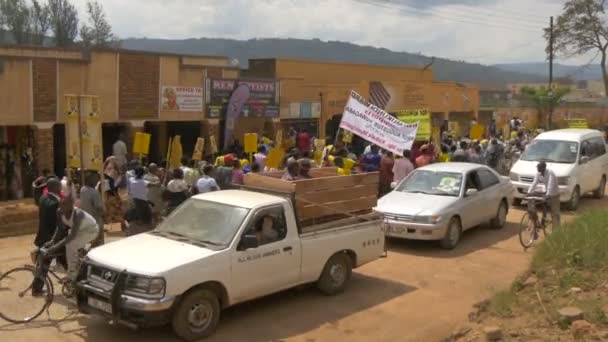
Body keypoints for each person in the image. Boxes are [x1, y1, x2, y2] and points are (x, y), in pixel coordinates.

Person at [41, 195, 99, 284]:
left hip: (90, 230)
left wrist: (55, 246)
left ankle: (71, 276)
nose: (61, 206)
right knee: (71, 248)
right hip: (79, 231)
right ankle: (74, 272)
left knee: (70, 245)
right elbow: (59, 228)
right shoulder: (59, 212)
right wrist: (52, 241)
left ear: (71, 205)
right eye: (61, 204)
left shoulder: (78, 214)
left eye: (65, 204)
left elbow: (72, 236)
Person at [528, 161, 560, 228]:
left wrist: (548, 195)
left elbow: (550, 185)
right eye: (537, 167)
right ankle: (534, 218)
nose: (538, 168)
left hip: (554, 194)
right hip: (546, 192)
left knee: (555, 213)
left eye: (539, 167)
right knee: (531, 198)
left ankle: (556, 231)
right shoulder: (538, 173)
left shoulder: (550, 172)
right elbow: (534, 183)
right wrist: (529, 192)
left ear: (543, 167)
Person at [79, 173, 104, 247]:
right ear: (90, 181)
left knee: (88, 240)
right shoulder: (94, 192)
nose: (97, 181)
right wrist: (104, 216)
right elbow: (99, 208)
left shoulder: (82, 189)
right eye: (95, 179)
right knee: (97, 242)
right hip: (95, 220)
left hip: (86, 219)